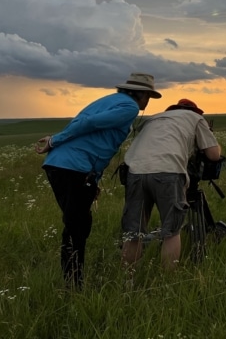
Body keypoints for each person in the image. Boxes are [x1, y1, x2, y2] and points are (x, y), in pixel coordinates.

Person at [34, 72, 161, 288]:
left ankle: (73, 280)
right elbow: (90, 124)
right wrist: (55, 140)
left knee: (78, 223)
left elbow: (89, 128)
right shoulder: (129, 107)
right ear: (141, 94)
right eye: (148, 95)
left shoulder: (108, 100)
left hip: (66, 166)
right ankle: (74, 286)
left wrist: (93, 178)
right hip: (73, 166)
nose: (147, 101)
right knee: (77, 226)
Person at [120, 98, 221, 270]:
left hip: (135, 171)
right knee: (172, 231)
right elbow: (213, 155)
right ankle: (168, 281)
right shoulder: (196, 119)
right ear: (195, 111)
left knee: (133, 233)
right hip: (168, 171)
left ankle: (128, 279)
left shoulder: (153, 119)